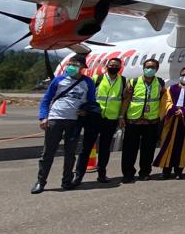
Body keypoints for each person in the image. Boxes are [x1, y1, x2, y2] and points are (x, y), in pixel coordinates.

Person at [33, 55, 96, 194]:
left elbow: (92, 101)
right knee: (48, 153)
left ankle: (66, 181)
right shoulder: (58, 80)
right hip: (55, 119)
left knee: (70, 153)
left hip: (74, 122)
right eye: (70, 64)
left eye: (75, 64)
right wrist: (43, 117)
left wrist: (85, 110)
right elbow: (46, 100)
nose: (71, 67)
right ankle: (41, 182)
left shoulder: (88, 82)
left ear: (82, 67)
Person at [72, 57, 125, 185]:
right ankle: (78, 177)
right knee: (86, 148)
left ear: (120, 67)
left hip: (110, 119)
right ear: (107, 66)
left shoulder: (122, 81)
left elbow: (123, 99)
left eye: (116, 65)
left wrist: (121, 117)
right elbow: (87, 96)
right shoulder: (97, 79)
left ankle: (102, 174)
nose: (114, 67)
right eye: (111, 65)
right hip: (94, 118)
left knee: (105, 149)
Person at [119, 58, 168, 183]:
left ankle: (145, 172)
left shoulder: (160, 83)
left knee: (148, 149)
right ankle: (128, 174)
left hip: (151, 122)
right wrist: (121, 117)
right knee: (129, 149)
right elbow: (126, 100)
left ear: (156, 69)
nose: (149, 69)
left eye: (152, 67)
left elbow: (163, 100)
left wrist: (162, 117)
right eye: (147, 67)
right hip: (133, 121)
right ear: (143, 68)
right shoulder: (134, 82)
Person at [154, 66, 185, 179]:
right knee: (167, 145)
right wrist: (173, 110)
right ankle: (166, 171)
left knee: (183, 146)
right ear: (180, 75)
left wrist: (183, 111)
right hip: (171, 121)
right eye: (183, 74)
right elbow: (165, 101)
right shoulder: (171, 89)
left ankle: (178, 170)